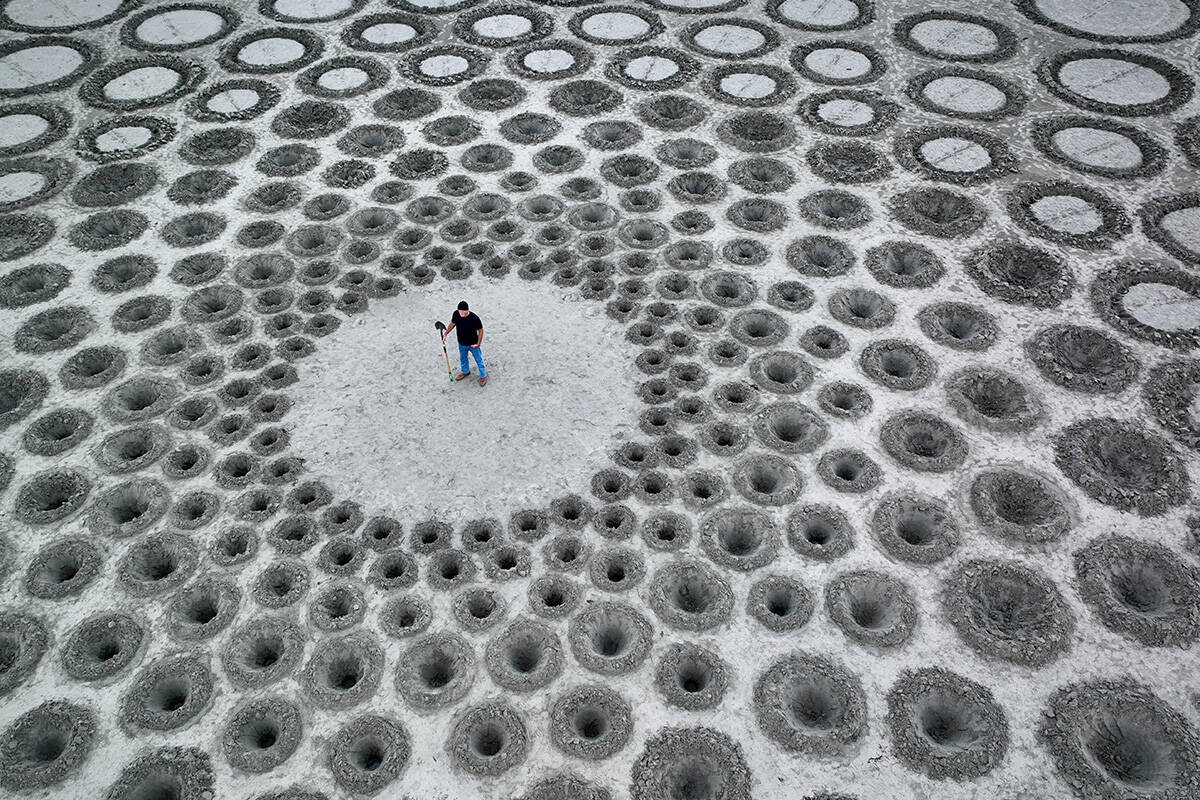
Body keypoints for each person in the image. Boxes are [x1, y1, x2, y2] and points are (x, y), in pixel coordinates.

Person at [442, 300, 486, 386]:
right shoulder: (456, 314)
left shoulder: (474, 318)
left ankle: (483, 376)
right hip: (461, 343)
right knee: (463, 358)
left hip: (473, 344)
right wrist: (445, 334)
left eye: (463, 311)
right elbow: (452, 324)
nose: (461, 313)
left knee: (479, 360)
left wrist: (478, 344)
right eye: (460, 311)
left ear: (467, 310)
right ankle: (465, 372)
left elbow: (480, 330)